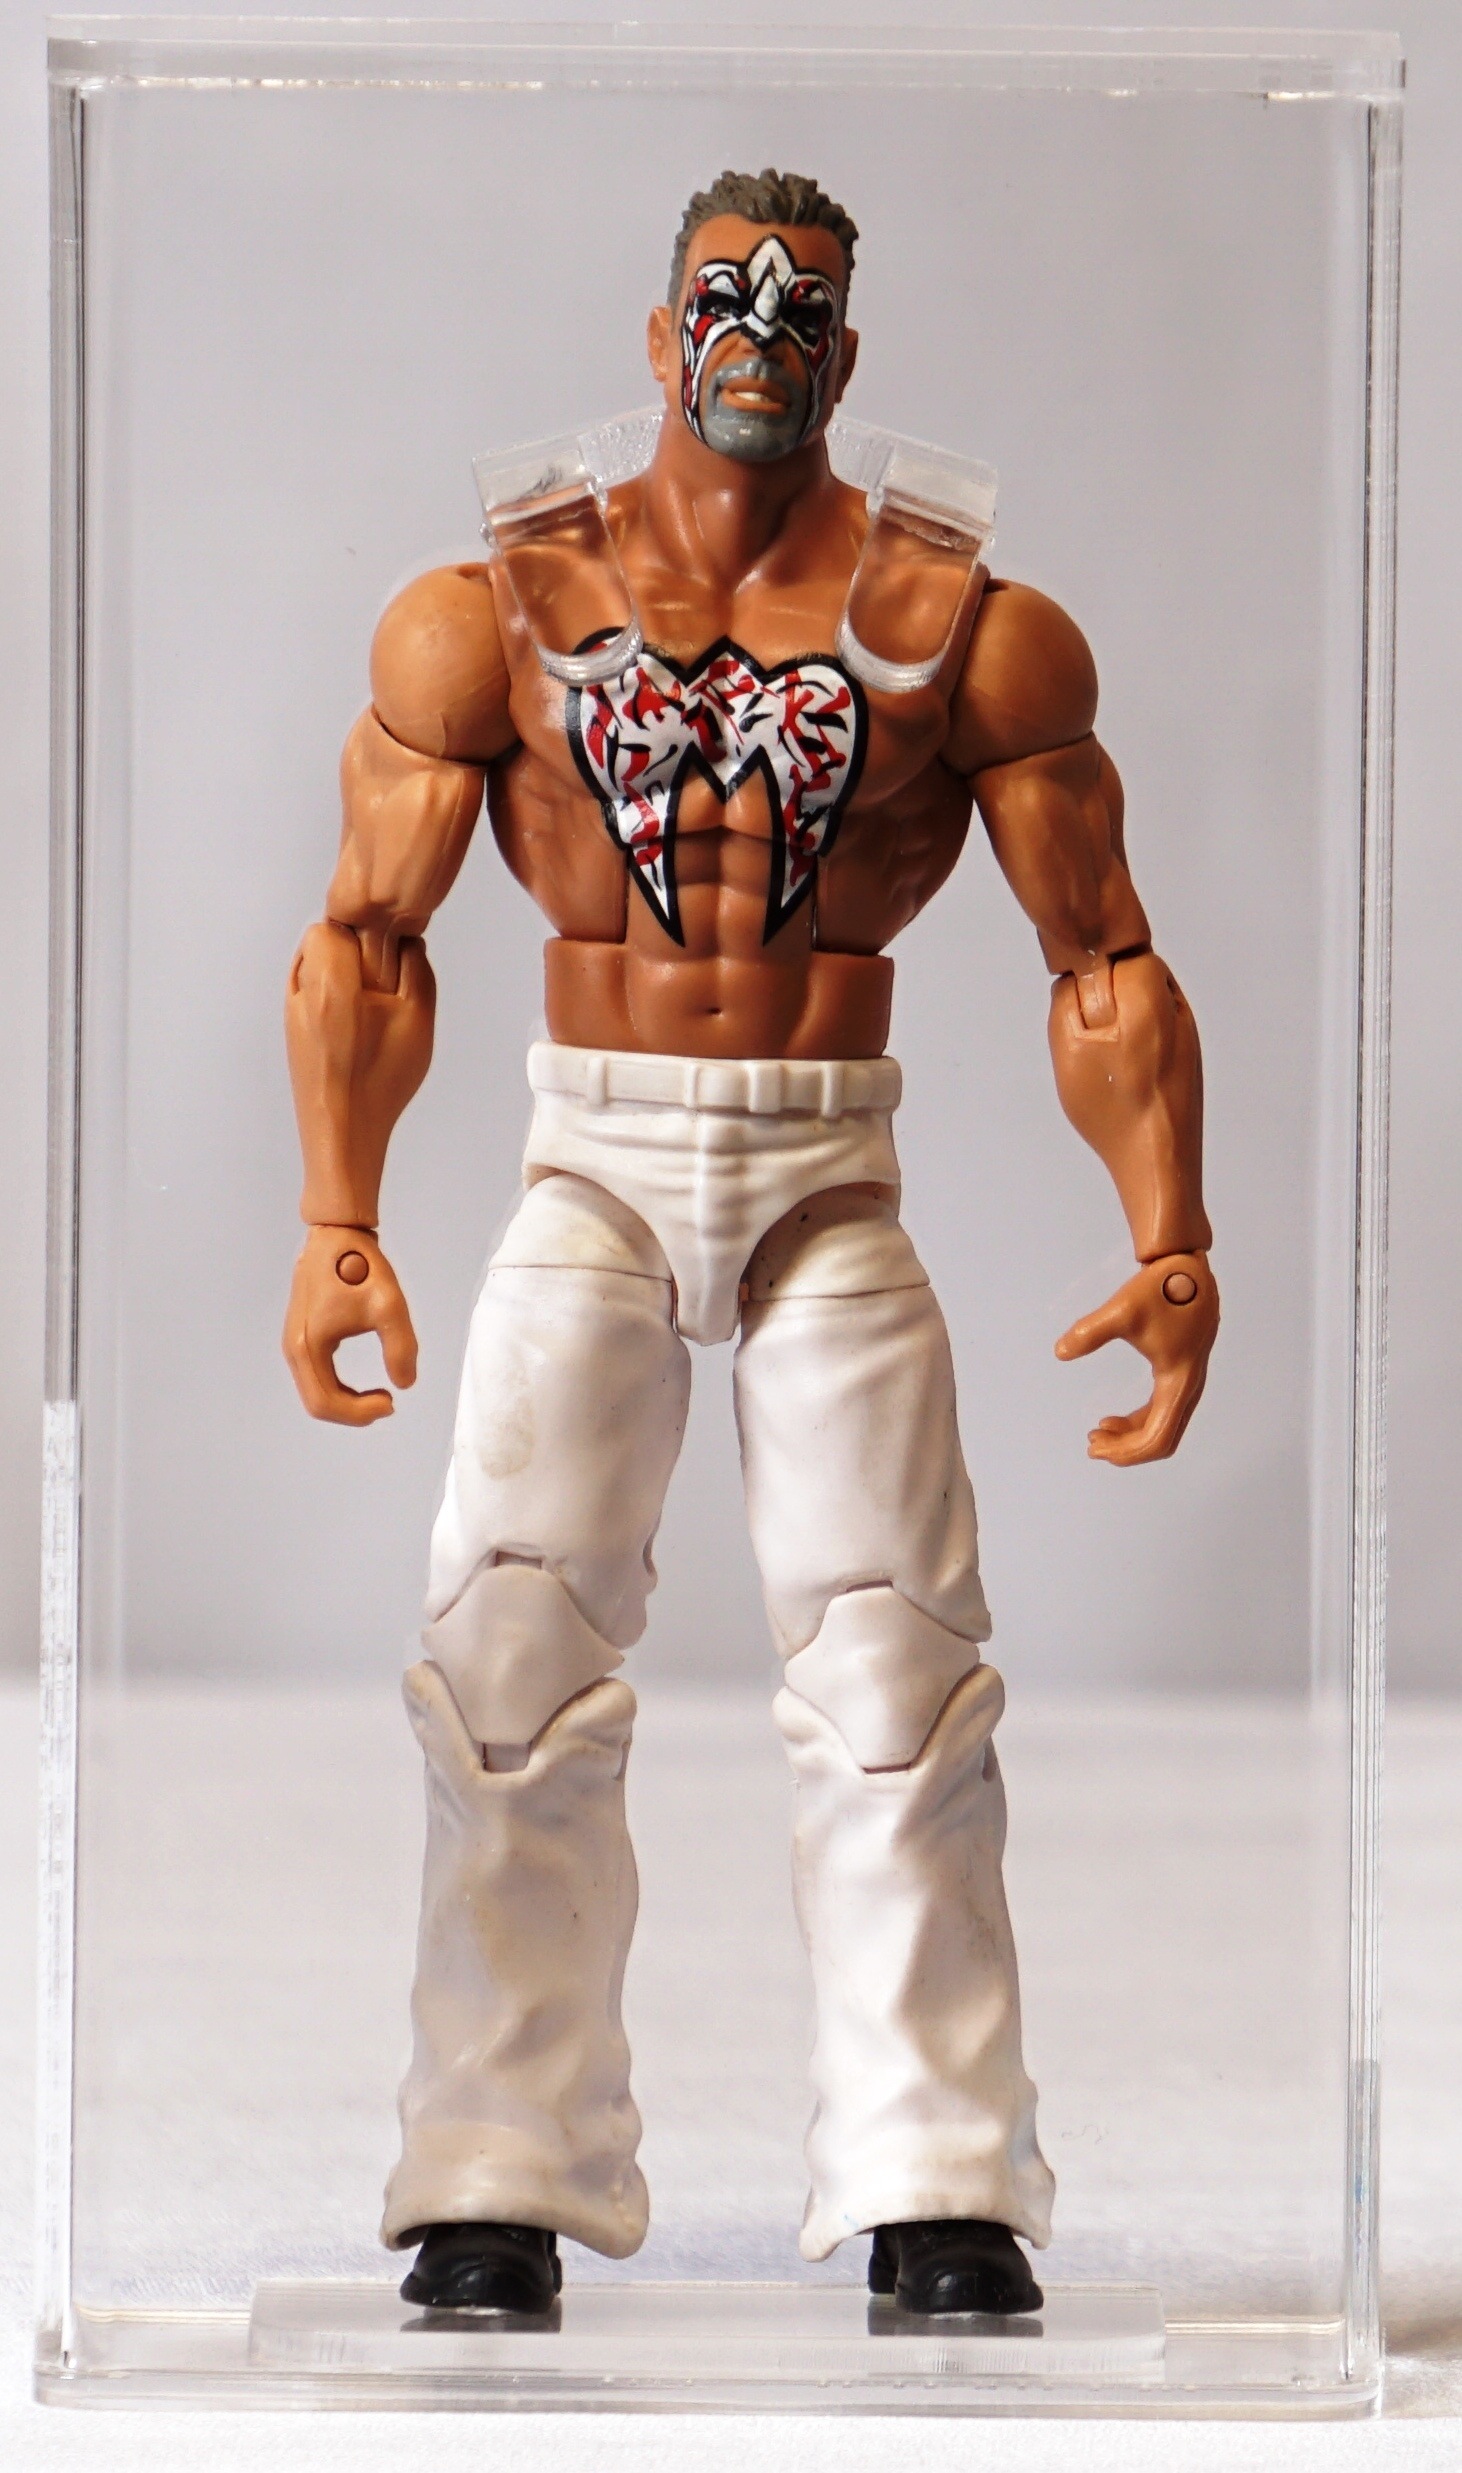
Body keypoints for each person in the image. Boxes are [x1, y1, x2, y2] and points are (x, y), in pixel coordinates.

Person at [283, 167, 1219, 2320]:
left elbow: (1101, 952)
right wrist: (339, 1210)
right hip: (593, 1154)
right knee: (505, 1658)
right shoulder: (487, 614)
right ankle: (492, 2164)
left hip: (825, 1160)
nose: (760, 336)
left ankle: (937, 2171)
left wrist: (1167, 1231)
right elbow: (367, 933)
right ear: (658, 329)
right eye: (727, 296)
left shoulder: (964, 626)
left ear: (849, 352)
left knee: (897, 1674)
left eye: (802, 309)